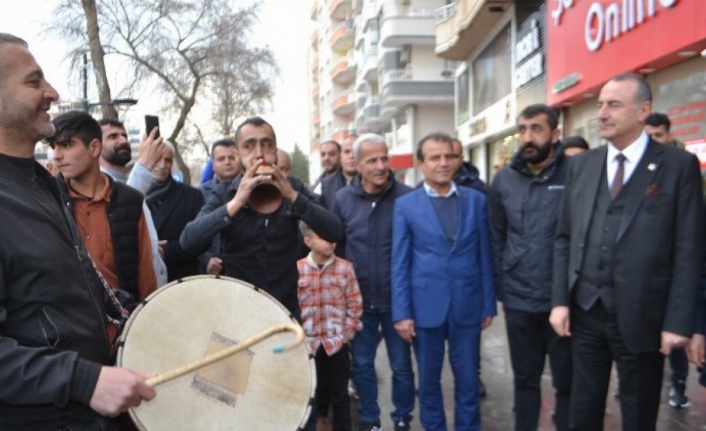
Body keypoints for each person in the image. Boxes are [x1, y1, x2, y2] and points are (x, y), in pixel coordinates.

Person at [0, 32, 155, 431]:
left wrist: (157, 320)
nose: (51, 93)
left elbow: (82, 291)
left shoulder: (45, 185)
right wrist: (85, 380)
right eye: (34, 82)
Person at [549, 73, 703, 431]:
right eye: (600, 104)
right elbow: (563, 238)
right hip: (585, 312)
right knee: (582, 412)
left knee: (638, 413)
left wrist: (680, 322)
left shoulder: (677, 166)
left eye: (613, 105)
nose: (601, 113)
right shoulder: (582, 166)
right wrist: (559, 301)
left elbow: (689, 248)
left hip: (643, 316)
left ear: (643, 111)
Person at [179, 116, 343, 316]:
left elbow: (335, 231)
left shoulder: (293, 187)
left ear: (275, 151)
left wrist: (292, 196)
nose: (259, 154)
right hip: (238, 311)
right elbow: (188, 241)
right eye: (249, 146)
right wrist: (236, 202)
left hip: (284, 310)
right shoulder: (224, 193)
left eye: (266, 145)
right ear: (238, 154)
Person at [392, 133, 495, 431]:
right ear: (421, 164)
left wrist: (488, 303)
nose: (443, 163)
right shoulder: (406, 205)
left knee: (467, 382)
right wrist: (402, 313)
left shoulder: (475, 200)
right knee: (429, 382)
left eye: (449, 156)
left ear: (457, 160)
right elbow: (399, 263)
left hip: (468, 304)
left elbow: (483, 255)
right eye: (435, 157)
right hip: (425, 308)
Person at [488, 104, 572, 431]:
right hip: (520, 299)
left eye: (536, 129)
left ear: (555, 133)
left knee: (567, 382)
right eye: (522, 129)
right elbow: (496, 238)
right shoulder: (503, 180)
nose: (527, 137)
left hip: (563, 300)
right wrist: (503, 289)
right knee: (525, 381)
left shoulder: (575, 174)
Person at [331, 133, 415, 431]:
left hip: (398, 301)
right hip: (359, 302)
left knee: (402, 368)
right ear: (358, 163)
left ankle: (403, 418)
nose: (381, 166)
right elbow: (337, 248)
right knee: (362, 365)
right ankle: (369, 419)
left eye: (384, 158)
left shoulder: (407, 197)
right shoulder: (342, 200)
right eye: (372, 160)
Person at [49, 110, 158, 317]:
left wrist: (147, 321)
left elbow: (146, 276)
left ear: (94, 147)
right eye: (55, 146)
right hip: (68, 328)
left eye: (67, 145)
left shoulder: (130, 200)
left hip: (123, 324)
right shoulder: (47, 200)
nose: (57, 154)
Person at [297, 221, 363, 431]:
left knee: (340, 395)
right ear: (308, 241)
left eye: (332, 238)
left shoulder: (345, 268)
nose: (330, 242)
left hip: (336, 343)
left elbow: (355, 303)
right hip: (308, 344)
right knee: (312, 392)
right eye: (323, 237)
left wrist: (345, 335)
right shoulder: (298, 269)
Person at [99, 117, 168, 287]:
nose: (122, 140)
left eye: (124, 135)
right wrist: (144, 165)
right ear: (95, 146)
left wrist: (148, 245)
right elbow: (121, 212)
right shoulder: (98, 183)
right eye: (112, 137)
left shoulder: (127, 180)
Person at [146, 142, 204, 282]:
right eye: (157, 158)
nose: (162, 165)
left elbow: (199, 239)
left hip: (180, 279)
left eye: (168, 160)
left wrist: (165, 252)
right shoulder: (133, 193)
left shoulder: (192, 196)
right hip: (144, 278)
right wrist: (149, 249)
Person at [199, 138, 240, 275]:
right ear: (213, 164)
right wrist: (206, 259)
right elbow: (189, 235)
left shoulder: (254, 190)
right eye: (221, 159)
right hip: (211, 276)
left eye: (231, 157)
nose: (227, 162)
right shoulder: (198, 194)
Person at [321, 134, 357, 208]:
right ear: (340, 156)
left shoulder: (376, 183)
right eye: (347, 152)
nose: (351, 156)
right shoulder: (325, 186)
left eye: (356, 151)